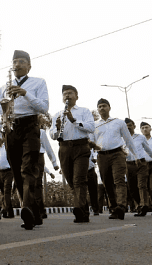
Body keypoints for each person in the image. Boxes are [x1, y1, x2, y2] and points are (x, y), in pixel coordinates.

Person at [0, 50, 49, 230]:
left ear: (29, 66)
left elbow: (44, 107)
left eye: (20, 61)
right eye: (14, 62)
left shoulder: (38, 82)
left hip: (30, 126)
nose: (16, 65)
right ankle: (33, 212)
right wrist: (2, 118)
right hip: (11, 128)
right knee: (17, 171)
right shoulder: (4, 87)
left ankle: (26, 208)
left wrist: (25, 93)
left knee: (28, 169)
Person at [49, 85, 94, 223]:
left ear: (77, 96)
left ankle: (79, 209)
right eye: (65, 94)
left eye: (70, 93)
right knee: (71, 181)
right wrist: (56, 128)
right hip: (64, 148)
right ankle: (83, 209)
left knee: (79, 179)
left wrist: (73, 120)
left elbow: (91, 128)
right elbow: (52, 135)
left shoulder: (84, 111)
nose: (67, 96)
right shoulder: (57, 114)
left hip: (80, 147)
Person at [93, 99, 141, 220]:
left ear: (109, 107)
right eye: (99, 106)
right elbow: (91, 142)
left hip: (117, 154)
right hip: (102, 156)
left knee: (119, 180)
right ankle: (114, 208)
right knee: (107, 183)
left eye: (104, 106)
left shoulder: (119, 122)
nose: (102, 108)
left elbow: (128, 139)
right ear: (97, 110)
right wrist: (92, 158)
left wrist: (136, 155)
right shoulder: (94, 125)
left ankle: (121, 206)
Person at [124, 118, 152, 216]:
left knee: (142, 185)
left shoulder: (140, 137)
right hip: (129, 164)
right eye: (126, 126)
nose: (128, 128)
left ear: (134, 126)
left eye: (130, 126)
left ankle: (144, 205)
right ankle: (138, 205)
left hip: (141, 164)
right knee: (132, 187)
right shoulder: (121, 139)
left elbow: (147, 148)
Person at [36, 121, 59, 220]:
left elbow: (48, 147)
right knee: (29, 184)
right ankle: (33, 208)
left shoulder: (41, 132)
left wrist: (54, 162)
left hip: (38, 157)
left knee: (37, 184)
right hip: (26, 158)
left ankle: (40, 211)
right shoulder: (21, 131)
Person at [0, 142, 17, 218]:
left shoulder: (8, 146)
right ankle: (10, 213)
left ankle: (4, 208)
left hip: (8, 171)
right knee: (3, 192)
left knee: (7, 190)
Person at [87, 149, 101, 215]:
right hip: (80, 172)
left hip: (91, 170)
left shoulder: (92, 149)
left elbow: (96, 155)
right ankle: (84, 209)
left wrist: (95, 158)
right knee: (81, 191)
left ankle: (95, 209)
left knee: (93, 191)